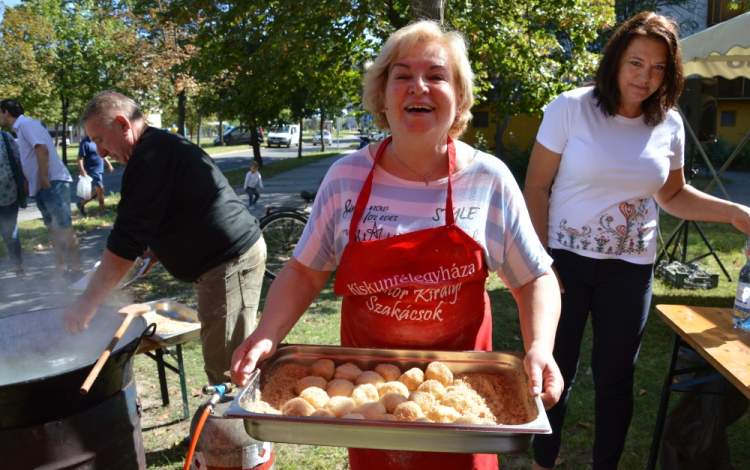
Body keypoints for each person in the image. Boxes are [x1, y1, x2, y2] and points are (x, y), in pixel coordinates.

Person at [231, 21, 563, 470]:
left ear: (460, 96)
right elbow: (305, 270)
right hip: (368, 396)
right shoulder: (346, 178)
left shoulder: (489, 180)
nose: (418, 87)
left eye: (436, 75)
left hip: (460, 391)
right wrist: (267, 333)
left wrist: (540, 346)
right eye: (401, 75)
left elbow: (533, 279)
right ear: (382, 95)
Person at [523, 12, 750, 470]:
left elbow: (672, 194)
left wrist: (734, 212)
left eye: (659, 67)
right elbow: (536, 188)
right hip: (563, 263)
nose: (646, 77)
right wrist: (542, 264)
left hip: (630, 270)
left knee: (616, 379)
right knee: (553, 370)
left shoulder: (668, 124)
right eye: (636, 63)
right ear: (615, 61)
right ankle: (543, 461)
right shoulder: (571, 107)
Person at [61, 90, 267, 386]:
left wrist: (87, 302)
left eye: (100, 140)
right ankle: (226, 429)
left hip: (229, 263)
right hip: (224, 263)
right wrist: (156, 250)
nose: (101, 152)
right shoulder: (155, 148)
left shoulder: (150, 156)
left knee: (228, 370)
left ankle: (234, 430)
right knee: (226, 361)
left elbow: (125, 241)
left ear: (122, 124)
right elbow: (177, 208)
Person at [0, 99, 83, 281]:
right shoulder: (21, 128)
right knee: (53, 229)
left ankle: (77, 271)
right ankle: (61, 269)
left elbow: (42, 149)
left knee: (65, 228)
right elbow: (28, 156)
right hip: (42, 187)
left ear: (6, 112)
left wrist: (44, 179)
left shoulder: (27, 124)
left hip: (53, 184)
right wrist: (29, 181)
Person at [0, 128, 26, 280]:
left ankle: (19, 269)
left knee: (10, 233)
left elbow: (18, 160)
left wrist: (24, 181)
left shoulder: (5, 137)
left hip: (8, 194)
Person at [76, 132, 114, 217]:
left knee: (98, 191)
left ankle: (81, 204)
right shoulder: (85, 142)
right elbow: (79, 158)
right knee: (100, 190)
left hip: (99, 170)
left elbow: (102, 154)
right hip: (91, 170)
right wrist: (82, 170)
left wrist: (109, 165)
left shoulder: (97, 140)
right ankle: (103, 212)